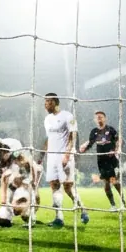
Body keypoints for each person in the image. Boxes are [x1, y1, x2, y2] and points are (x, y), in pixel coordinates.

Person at [43, 92, 87, 228]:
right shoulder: (47, 119)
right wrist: (42, 156)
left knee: (68, 187)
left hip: (65, 155)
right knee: (54, 186)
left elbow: (74, 134)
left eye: (49, 102)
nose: (46, 105)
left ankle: (82, 209)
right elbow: (49, 139)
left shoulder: (68, 116)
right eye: (45, 102)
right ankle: (59, 218)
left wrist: (67, 154)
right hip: (51, 157)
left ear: (56, 102)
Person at [80, 111, 125, 210]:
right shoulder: (94, 132)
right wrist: (83, 149)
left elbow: (120, 141)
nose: (99, 118)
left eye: (101, 117)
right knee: (106, 183)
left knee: (114, 181)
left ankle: (123, 202)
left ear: (105, 119)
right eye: (97, 117)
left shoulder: (111, 130)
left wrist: (115, 150)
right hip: (101, 161)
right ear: (95, 120)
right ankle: (113, 205)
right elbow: (90, 144)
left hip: (112, 160)